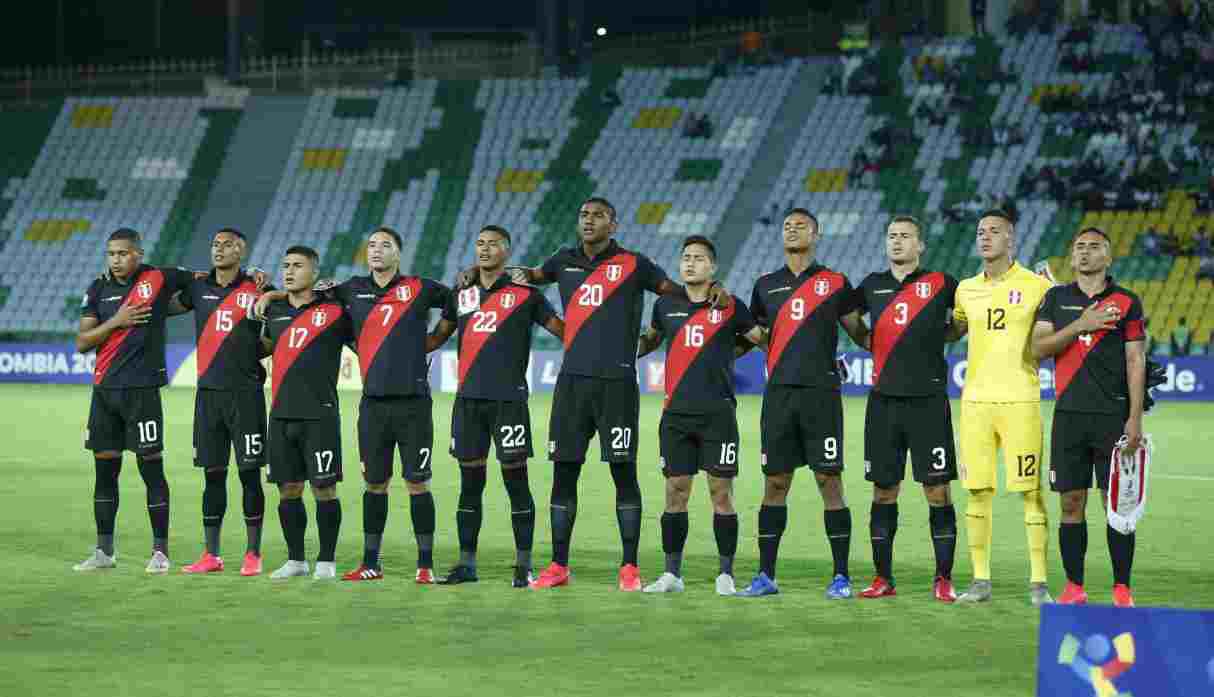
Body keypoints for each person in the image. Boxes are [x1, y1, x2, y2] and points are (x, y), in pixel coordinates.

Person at [500, 197, 726, 591]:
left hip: (617, 385)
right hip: (571, 383)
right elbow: (526, 275)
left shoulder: (634, 265)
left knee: (623, 472)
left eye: (598, 216)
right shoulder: (561, 260)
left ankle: (629, 567)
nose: (589, 221)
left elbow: (675, 290)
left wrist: (714, 290)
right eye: (583, 214)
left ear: (614, 225)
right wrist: (477, 271)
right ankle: (558, 566)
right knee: (563, 472)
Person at [735, 208, 870, 599]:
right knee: (775, 483)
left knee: (830, 481)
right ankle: (765, 575)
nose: (792, 230)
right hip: (778, 394)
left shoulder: (835, 283)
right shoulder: (765, 285)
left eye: (801, 225)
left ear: (817, 233)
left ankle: (841, 576)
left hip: (821, 395)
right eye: (787, 226)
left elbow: (860, 334)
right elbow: (754, 336)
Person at [426, 225, 564, 587]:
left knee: (515, 482)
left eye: (493, 244)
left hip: (509, 401)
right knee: (470, 485)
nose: (485, 250)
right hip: (468, 401)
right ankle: (467, 565)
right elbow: (438, 335)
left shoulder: (526, 295)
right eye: (480, 244)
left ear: (507, 250)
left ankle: (523, 566)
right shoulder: (463, 293)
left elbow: (561, 329)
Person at [636, 235, 766, 595]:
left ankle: (725, 574)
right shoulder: (665, 305)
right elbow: (651, 339)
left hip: (717, 415)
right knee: (674, 492)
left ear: (713, 267)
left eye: (698, 258)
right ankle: (672, 574)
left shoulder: (730, 305)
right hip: (675, 415)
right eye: (686, 258)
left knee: (720, 492)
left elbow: (761, 338)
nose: (690, 263)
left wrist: (728, 353)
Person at [1031, 227, 1146, 608]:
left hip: (1113, 417)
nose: (1084, 252)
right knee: (1070, 503)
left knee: (1117, 505)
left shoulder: (1127, 301)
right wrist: (1081, 324)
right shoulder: (1056, 298)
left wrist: (1135, 419)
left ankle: (1121, 588)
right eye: (1078, 246)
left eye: (1094, 246)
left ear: (1108, 257)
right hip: (1069, 417)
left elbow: (1135, 359)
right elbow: (1038, 348)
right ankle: (1074, 587)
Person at [73, 228, 197, 573]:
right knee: (105, 473)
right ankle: (104, 551)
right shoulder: (98, 289)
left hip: (142, 391)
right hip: (104, 393)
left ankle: (160, 552)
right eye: (111, 253)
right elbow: (83, 341)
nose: (116, 259)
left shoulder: (157, 277)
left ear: (138, 254)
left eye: (123, 253)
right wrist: (117, 320)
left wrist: (252, 277)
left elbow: (204, 280)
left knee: (151, 471)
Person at [853, 216, 962, 602]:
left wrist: (942, 337)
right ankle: (883, 578)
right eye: (892, 236)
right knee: (884, 491)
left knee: (938, 490)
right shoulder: (871, 285)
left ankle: (943, 579)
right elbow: (848, 317)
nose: (897, 242)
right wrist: (868, 340)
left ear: (921, 246)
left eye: (905, 237)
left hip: (929, 401)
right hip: (883, 402)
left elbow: (964, 320)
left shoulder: (942, 284)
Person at [949, 209, 1055, 605]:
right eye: (981, 231)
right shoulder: (965, 289)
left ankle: (1039, 584)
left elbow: (1052, 336)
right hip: (975, 403)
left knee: (1030, 492)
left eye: (995, 231)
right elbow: (953, 328)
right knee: (977, 491)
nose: (986, 237)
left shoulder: (1037, 286)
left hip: (1021, 399)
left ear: (1011, 239)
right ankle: (980, 581)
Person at [171, 228, 270, 576]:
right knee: (213, 476)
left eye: (228, 245)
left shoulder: (258, 288)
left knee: (249, 475)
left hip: (246, 397)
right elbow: (161, 307)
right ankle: (211, 554)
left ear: (241, 251)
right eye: (215, 244)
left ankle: (253, 553)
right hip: (209, 397)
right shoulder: (197, 287)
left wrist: (259, 350)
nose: (219, 249)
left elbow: (286, 318)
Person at [259, 246, 354, 580]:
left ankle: (326, 560)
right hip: (282, 414)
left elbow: (365, 342)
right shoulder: (274, 311)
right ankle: (296, 560)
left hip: (320, 415)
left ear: (314, 273)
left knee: (324, 489)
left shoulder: (335, 311)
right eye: (285, 265)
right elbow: (264, 348)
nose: (289, 271)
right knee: (288, 489)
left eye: (297, 266)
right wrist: (269, 296)